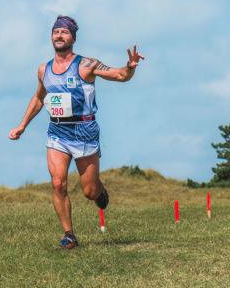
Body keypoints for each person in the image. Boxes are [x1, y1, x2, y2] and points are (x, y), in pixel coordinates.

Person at [8, 15, 144, 249]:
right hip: (58, 132)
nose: (59, 35)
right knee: (58, 182)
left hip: (85, 131)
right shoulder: (44, 70)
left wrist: (129, 68)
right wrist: (22, 125)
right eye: (55, 32)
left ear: (73, 37)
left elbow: (120, 76)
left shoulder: (87, 65)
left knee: (90, 191)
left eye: (64, 32)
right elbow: (39, 98)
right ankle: (69, 235)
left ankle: (101, 192)